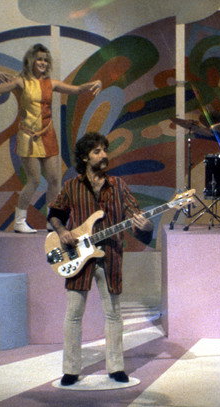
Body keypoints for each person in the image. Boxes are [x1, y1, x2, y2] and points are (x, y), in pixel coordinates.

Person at [47, 132, 153, 386]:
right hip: (77, 257)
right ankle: (71, 369)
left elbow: (136, 216)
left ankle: (116, 368)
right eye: (97, 151)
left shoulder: (118, 186)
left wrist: (146, 225)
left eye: (105, 150)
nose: (104, 155)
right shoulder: (72, 186)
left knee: (113, 314)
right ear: (85, 157)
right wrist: (62, 232)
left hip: (110, 256)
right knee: (73, 314)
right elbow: (55, 214)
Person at [0, 43, 102, 233]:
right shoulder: (21, 82)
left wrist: (95, 83)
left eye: (45, 60)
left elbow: (76, 89)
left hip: (48, 134)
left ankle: (52, 220)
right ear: (30, 61)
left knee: (54, 180)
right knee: (34, 180)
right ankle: (19, 221)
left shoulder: (51, 83)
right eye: (39, 59)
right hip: (28, 136)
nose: (42, 62)